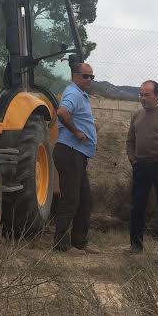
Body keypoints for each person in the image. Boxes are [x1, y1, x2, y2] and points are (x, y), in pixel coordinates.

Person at [53, 62, 100, 255]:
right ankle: (61, 245)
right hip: (69, 151)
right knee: (71, 199)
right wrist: (77, 131)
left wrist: (90, 129)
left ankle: (79, 242)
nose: (89, 80)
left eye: (92, 77)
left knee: (85, 200)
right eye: (85, 76)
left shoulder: (81, 95)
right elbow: (62, 112)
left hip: (77, 154)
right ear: (75, 76)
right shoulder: (73, 93)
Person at [126, 80, 158, 254]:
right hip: (141, 165)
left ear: (157, 95)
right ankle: (135, 245)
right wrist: (133, 160)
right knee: (137, 206)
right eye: (141, 94)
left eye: (147, 94)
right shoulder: (136, 115)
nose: (143, 98)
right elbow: (130, 141)